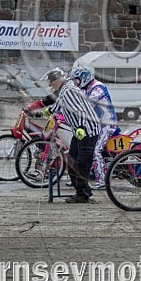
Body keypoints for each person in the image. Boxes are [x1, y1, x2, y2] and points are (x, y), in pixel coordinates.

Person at [27, 68, 101, 203]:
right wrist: (36, 113)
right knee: (72, 161)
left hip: (86, 130)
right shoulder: (64, 90)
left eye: (51, 82)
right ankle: (83, 190)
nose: (50, 85)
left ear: (57, 80)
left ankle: (83, 195)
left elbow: (80, 111)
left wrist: (81, 127)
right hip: (80, 130)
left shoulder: (68, 91)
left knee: (81, 163)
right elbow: (55, 109)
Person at [69, 66, 118, 188]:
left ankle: (102, 181)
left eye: (76, 80)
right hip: (95, 124)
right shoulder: (84, 88)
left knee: (95, 150)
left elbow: (87, 104)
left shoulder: (98, 88)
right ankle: (78, 179)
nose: (74, 83)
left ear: (84, 78)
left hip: (107, 124)